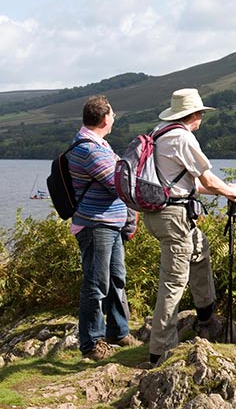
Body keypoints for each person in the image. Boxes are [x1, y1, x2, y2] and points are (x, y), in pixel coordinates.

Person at [143, 88, 236, 364]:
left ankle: (205, 311)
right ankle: (160, 352)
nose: (202, 118)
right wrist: (232, 191)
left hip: (157, 213)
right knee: (173, 282)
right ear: (195, 114)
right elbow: (209, 180)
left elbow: (187, 184)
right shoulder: (182, 138)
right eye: (201, 113)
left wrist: (224, 191)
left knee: (200, 248)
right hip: (174, 216)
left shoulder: (159, 132)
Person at [67, 95, 138, 361]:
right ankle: (92, 343)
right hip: (96, 225)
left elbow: (122, 178)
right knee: (96, 285)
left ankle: (118, 332)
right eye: (113, 114)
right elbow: (118, 182)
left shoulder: (100, 145)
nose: (115, 118)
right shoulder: (89, 149)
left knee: (116, 280)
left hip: (109, 224)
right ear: (105, 117)